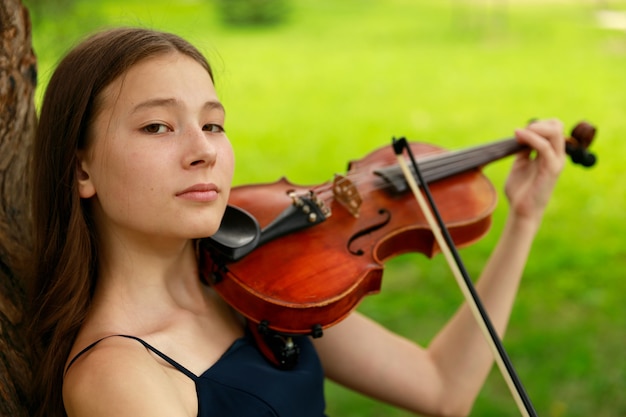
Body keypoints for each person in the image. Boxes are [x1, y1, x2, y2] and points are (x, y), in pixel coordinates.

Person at [27, 27, 565, 417]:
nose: (203, 151)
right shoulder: (118, 379)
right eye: (158, 127)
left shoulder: (261, 278)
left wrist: (524, 217)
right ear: (81, 168)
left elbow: (442, 387)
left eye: (213, 124)